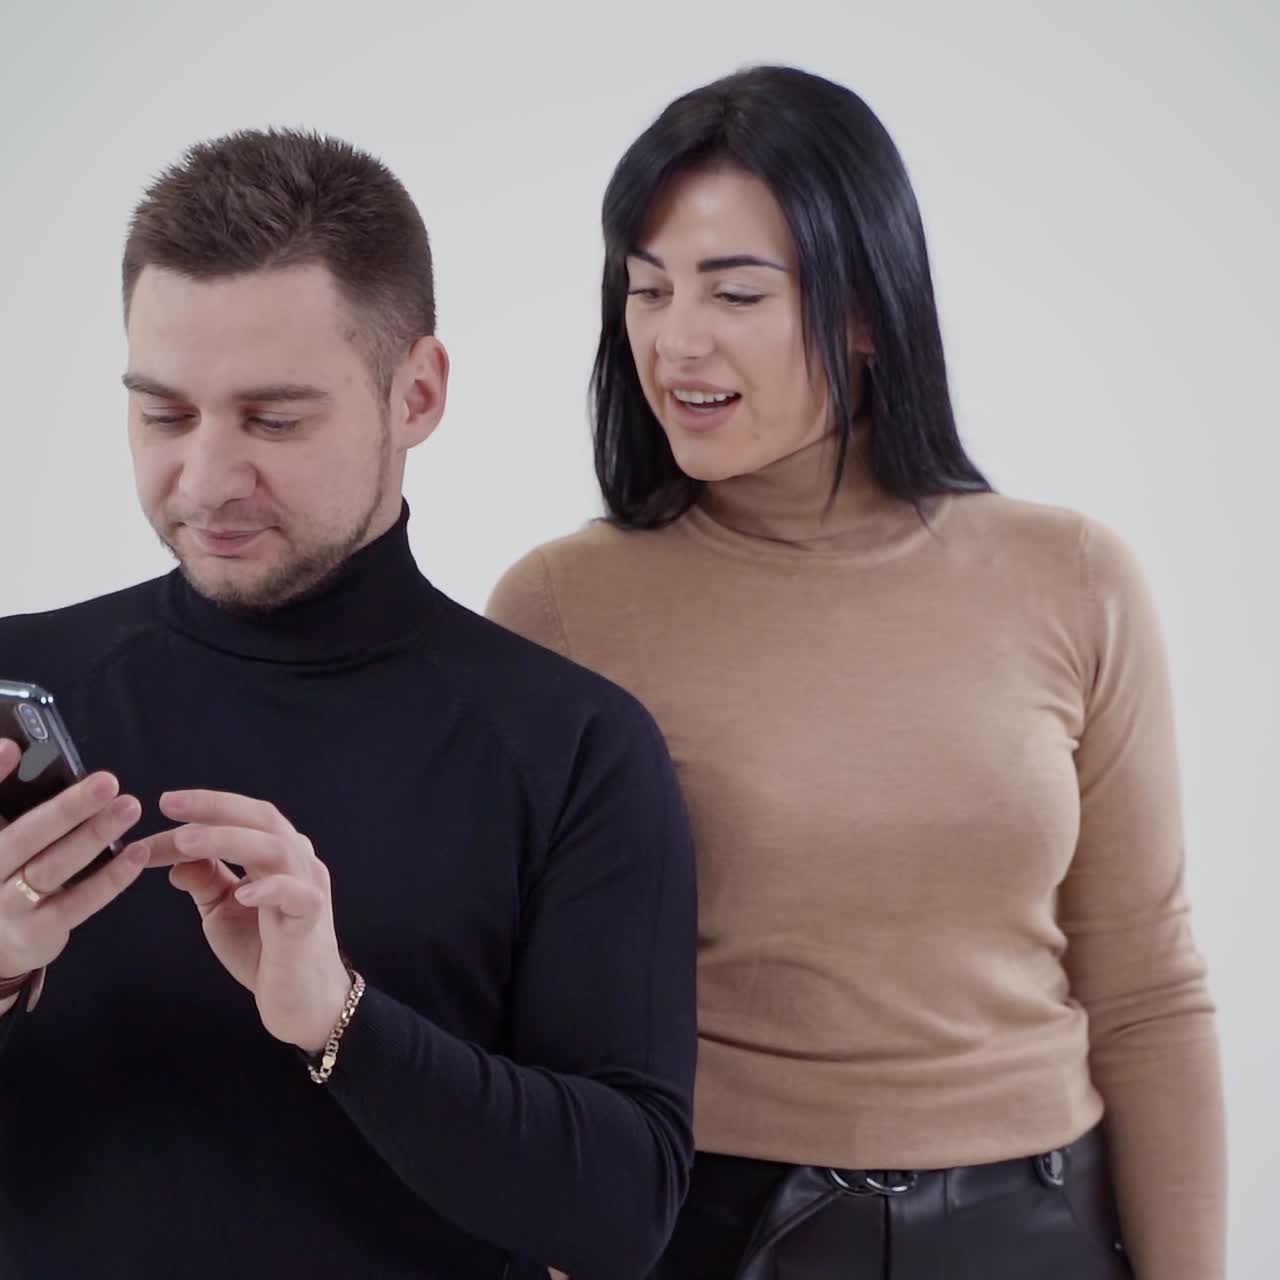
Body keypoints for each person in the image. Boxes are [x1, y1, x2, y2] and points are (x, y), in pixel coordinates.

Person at [487, 65, 1226, 1280]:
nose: (676, 338)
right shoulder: (565, 605)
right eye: (646, 288)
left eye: (734, 290)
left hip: (1033, 1228)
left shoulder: (1073, 575)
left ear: (867, 310)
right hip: (707, 1229)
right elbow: (523, 1021)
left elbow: (1145, 990)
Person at [0, 128, 697, 1280]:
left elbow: (622, 1215)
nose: (208, 479)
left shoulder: (572, 747)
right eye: (164, 415)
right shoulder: (17, 696)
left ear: (415, 392)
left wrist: (338, 1016)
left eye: (274, 419)